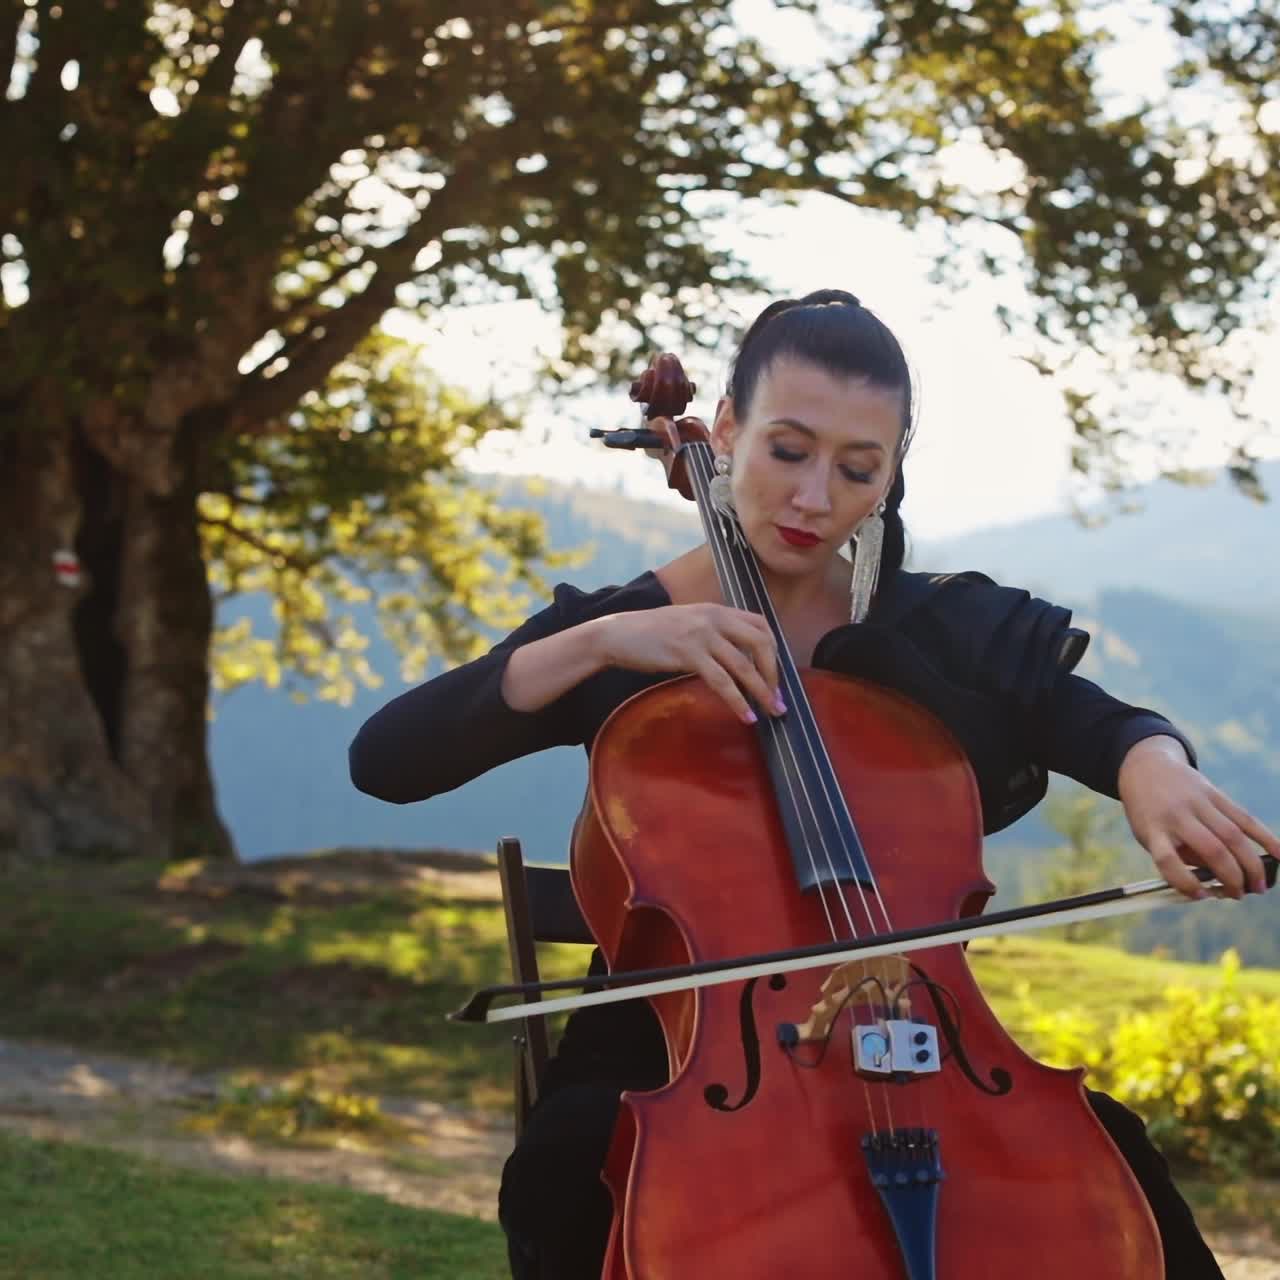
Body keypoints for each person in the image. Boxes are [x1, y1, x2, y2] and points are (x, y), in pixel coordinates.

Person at [348, 290, 1280, 1279]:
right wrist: (600, 641)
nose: (813, 497)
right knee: (571, 1170)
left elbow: (1088, 716)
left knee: (1111, 1164)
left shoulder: (922, 627)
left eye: (856, 469)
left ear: (889, 476)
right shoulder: (628, 631)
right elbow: (389, 761)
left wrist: (1152, 765)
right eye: (787, 451)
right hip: (669, 1052)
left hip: (918, 1042)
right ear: (726, 431)